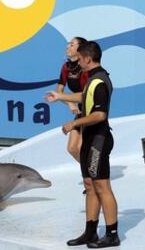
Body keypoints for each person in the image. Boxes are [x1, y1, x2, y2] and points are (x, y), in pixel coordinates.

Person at [45, 41, 120, 248]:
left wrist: (74, 124)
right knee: (89, 185)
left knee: (102, 186)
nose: (78, 61)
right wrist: (61, 96)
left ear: (87, 58)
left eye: (80, 58)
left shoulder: (100, 80)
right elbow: (83, 96)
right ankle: (90, 232)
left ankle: (112, 234)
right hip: (89, 138)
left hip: (99, 138)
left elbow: (99, 114)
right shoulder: (92, 79)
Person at [57, 37, 88, 162]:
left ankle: (92, 175)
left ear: (80, 48)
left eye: (71, 44)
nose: (67, 46)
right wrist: (70, 104)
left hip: (91, 112)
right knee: (72, 149)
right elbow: (59, 92)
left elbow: (87, 95)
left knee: (81, 148)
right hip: (79, 112)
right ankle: (89, 173)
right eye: (68, 44)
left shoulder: (86, 66)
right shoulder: (66, 67)